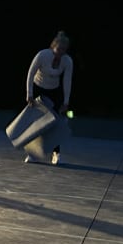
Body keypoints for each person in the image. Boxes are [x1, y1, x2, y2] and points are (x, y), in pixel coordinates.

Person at [24, 31, 74, 165]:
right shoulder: (42, 55)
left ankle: (56, 153)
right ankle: (33, 154)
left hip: (54, 91)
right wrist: (30, 94)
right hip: (38, 88)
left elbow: (67, 81)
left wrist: (66, 102)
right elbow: (30, 73)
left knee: (55, 124)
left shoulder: (67, 61)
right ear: (53, 47)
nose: (60, 52)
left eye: (63, 50)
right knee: (36, 123)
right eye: (58, 49)